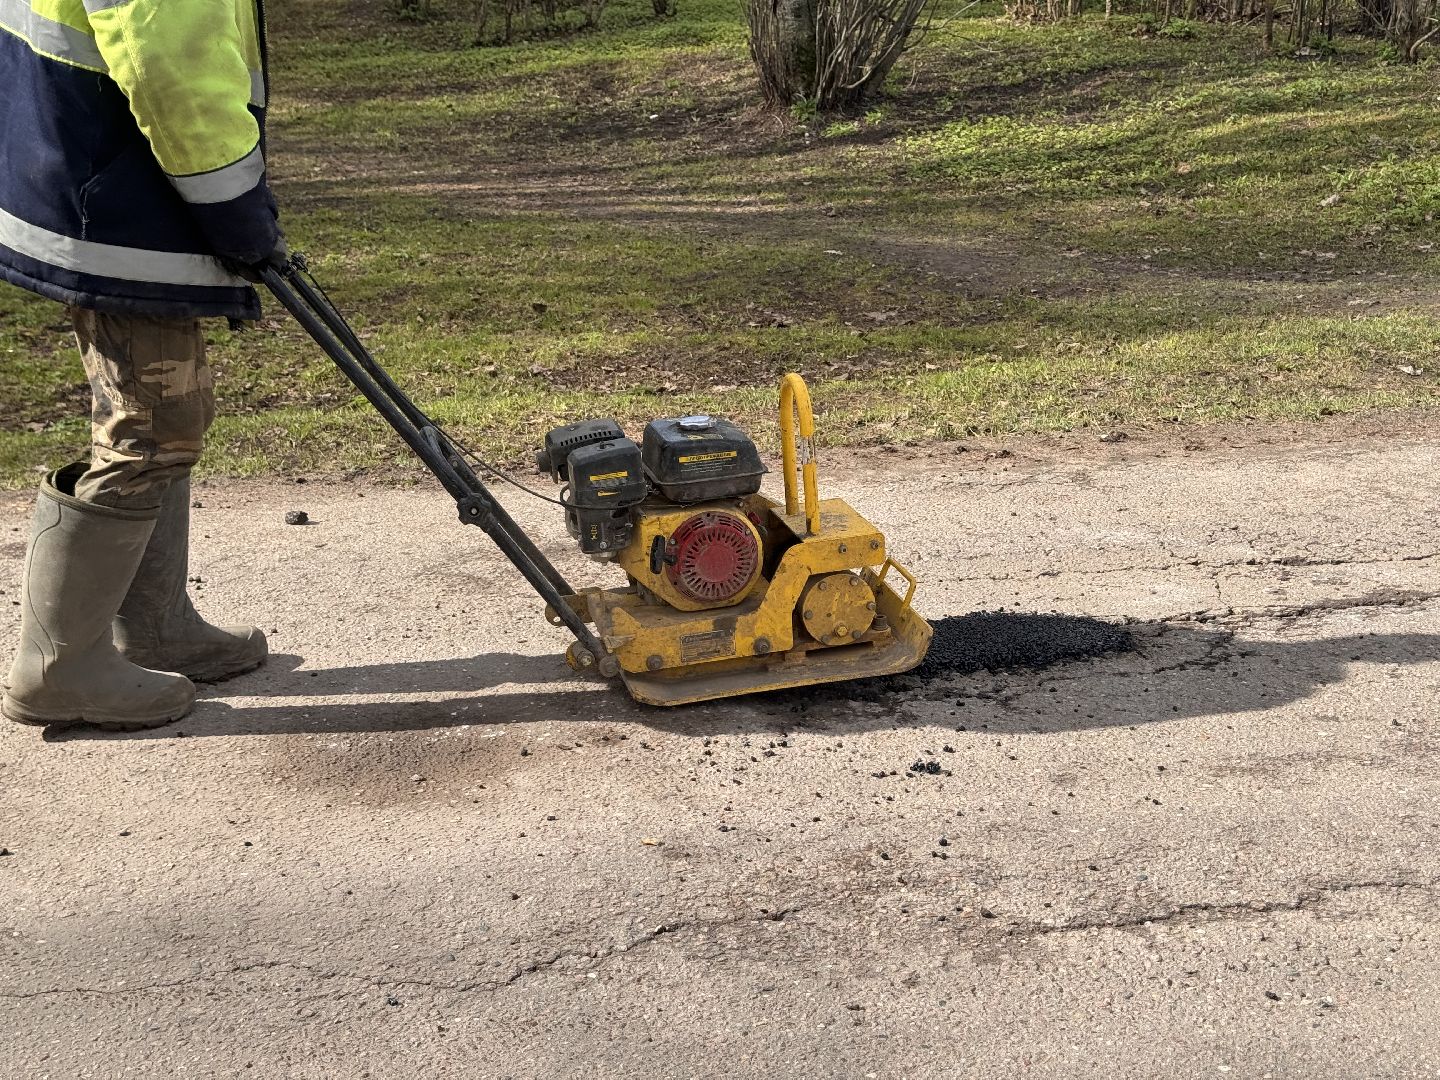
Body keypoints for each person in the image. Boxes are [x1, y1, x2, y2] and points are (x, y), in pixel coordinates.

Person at [0, 0, 286, 729]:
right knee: (154, 423)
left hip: (99, 176)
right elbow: (171, 64)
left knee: (164, 416)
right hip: (118, 191)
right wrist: (236, 205)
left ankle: (156, 626)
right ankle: (59, 667)